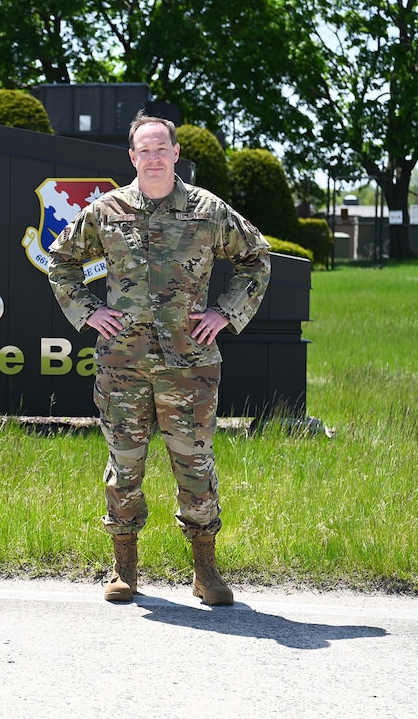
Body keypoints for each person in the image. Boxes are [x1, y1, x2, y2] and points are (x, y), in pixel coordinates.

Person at [47, 113, 271, 605]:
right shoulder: (106, 211)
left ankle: (205, 571)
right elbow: (60, 261)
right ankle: (124, 567)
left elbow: (257, 258)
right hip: (122, 363)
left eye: (161, 149)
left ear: (175, 154)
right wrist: (88, 311)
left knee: (195, 466)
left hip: (190, 364)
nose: (153, 158)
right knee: (125, 465)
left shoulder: (208, 210)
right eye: (144, 150)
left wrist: (225, 313)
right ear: (132, 157)